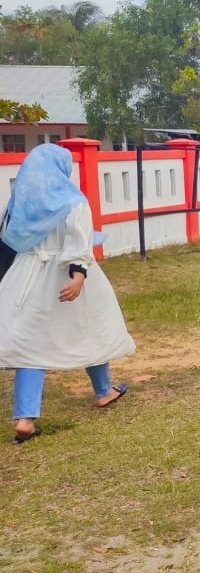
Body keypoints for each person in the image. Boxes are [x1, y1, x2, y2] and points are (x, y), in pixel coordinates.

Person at [0, 144, 136, 444]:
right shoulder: (73, 201)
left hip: (26, 278)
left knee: (29, 344)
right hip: (66, 276)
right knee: (88, 328)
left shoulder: (17, 204)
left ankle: (25, 418)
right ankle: (104, 391)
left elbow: (6, 244)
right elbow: (79, 239)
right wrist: (78, 275)